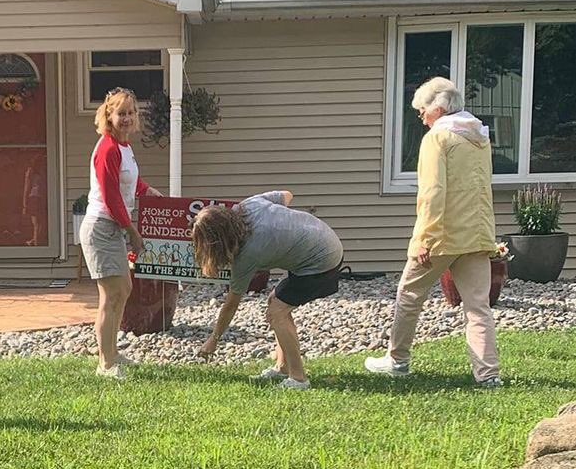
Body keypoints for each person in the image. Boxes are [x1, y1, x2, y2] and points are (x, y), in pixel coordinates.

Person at [365, 77, 501, 387]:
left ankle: (397, 360)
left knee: (409, 294)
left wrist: (423, 238)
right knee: (478, 306)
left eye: (422, 110)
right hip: (478, 234)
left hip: (442, 235)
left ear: (437, 109)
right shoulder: (479, 138)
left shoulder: (437, 139)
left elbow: (432, 192)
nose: (421, 117)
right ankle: (488, 375)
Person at [193, 191, 343, 390]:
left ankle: (298, 379)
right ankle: (282, 368)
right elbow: (287, 195)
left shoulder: (247, 253)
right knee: (276, 303)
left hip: (322, 260)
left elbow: (231, 304)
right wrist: (286, 230)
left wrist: (213, 340)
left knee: (277, 312)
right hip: (324, 236)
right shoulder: (248, 205)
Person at [79, 88, 162, 380]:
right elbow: (112, 197)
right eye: (120, 113)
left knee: (123, 290)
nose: (126, 118)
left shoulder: (124, 147)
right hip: (102, 227)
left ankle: (112, 353)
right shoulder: (107, 148)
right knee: (111, 296)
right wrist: (133, 232)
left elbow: (131, 180)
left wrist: (148, 191)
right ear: (108, 116)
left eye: (130, 113)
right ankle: (105, 364)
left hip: (114, 226)